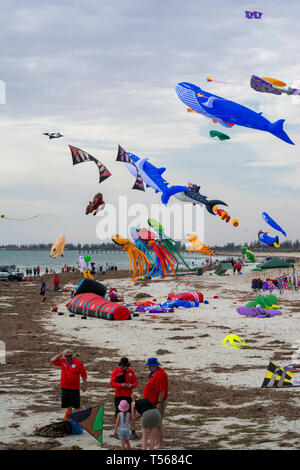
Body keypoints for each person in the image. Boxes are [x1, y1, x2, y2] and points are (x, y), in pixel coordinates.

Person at [51, 349, 87, 418]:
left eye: (70, 356)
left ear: (73, 355)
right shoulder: (63, 361)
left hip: (74, 387)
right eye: (66, 356)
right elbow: (53, 360)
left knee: (76, 405)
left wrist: (84, 385)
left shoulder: (78, 363)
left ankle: (77, 419)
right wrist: (61, 353)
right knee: (67, 404)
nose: (68, 358)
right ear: (64, 356)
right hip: (64, 386)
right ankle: (69, 418)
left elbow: (84, 374)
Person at [110, 357, 138, 440]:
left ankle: (133, 432)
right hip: (119, 396)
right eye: (122, 366)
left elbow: (135, 382)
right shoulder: (116, 371)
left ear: (127, 366)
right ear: (120, 365)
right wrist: (120, 385)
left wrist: (132, 385)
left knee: (130, 414)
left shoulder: (131, 372)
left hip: (128, 396)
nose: (124, 368)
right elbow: (112, 383)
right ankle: (117, 431)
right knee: (118, 414)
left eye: (125, 366)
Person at [143, 357, 168, 449]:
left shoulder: (160, 374)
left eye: (149, 366)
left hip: (158, 402)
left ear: (153, 365)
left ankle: (160, 443)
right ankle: (158, 442)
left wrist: (159, 403)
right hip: (153, 402)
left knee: (157, 423)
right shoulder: (155, 373)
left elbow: (162, 390)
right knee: (156, 423)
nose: (148, 367)